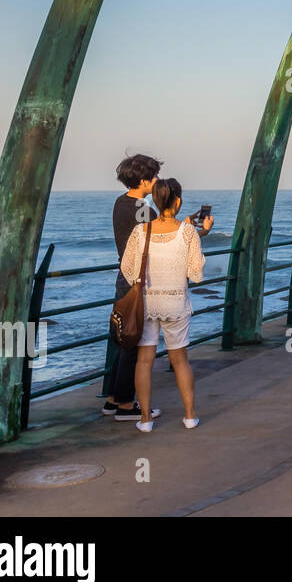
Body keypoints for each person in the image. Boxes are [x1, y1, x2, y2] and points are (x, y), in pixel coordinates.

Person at [107, 154, 212, 422]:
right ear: (142, 181)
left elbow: (151, 238)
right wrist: (192, 232)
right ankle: (126, 405)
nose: (155, 181)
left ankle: (115, 399)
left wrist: (178, 225)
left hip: (128, 277)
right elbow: (161, 241)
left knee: (125, 338)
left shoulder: (121, 203)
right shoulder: (143, 209)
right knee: (134, 344)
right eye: (152, 177)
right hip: (145, 284)